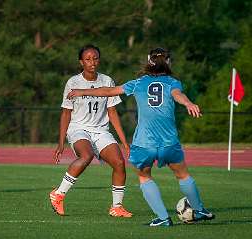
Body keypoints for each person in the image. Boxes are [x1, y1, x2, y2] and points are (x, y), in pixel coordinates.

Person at [67, 47, 215, 226]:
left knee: (145, 177)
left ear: (148, 61)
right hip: (169, 141)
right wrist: (189, 103)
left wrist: (82, 92)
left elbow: (108, 91)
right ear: (168, 62)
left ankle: (163, 218)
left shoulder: (138, 83)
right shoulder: (173, 82)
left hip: (144, 143)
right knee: (183, 174)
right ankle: (199, 209)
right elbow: (178, 95)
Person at [49, 44, 132, 217]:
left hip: (101, 130)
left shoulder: (107, 80)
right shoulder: (73, 82)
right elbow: (66, 113)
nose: (92, 62)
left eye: (95, 58)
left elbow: (112, 112)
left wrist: (124, 141)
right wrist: (61, 142)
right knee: (86, 156)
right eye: (88, 59)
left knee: (119, 163)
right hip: (78, 129)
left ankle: (116, 207)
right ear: (81, 62)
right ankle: (58, 194)